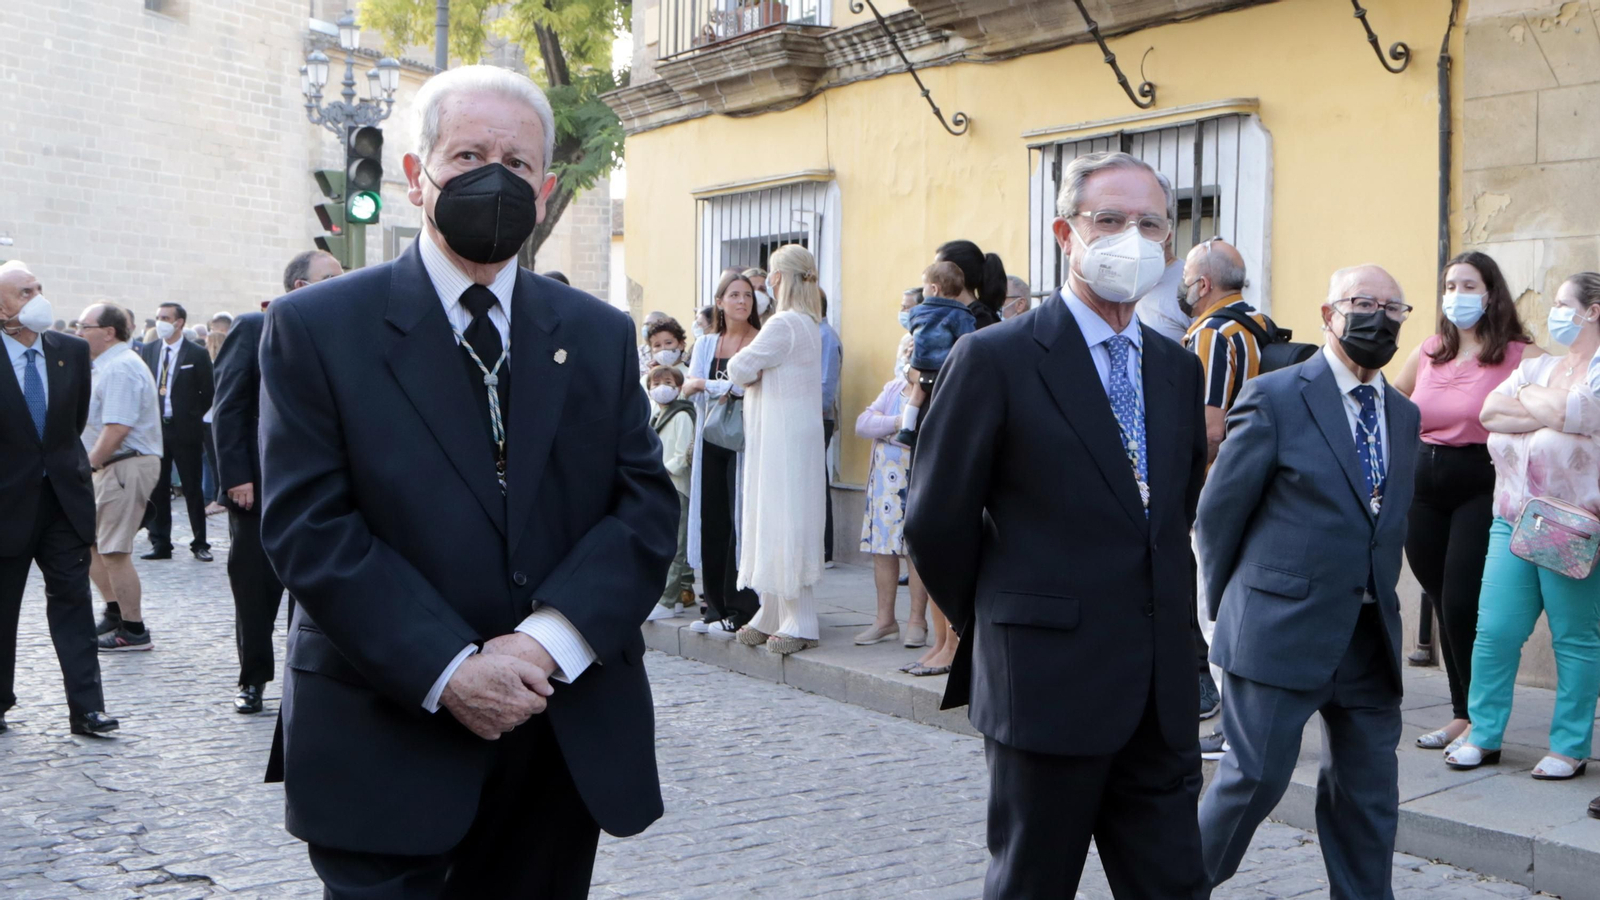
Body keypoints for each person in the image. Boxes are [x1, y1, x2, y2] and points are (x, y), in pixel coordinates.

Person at [256, 64, 678, 896]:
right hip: (382, 733)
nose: (495, 178)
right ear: (418, 175)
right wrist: (449, 668)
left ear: (546, 188)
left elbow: (643, 508)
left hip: (555, 735)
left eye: (517, 163)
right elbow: (310, 527)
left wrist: (546, 642)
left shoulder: (597, 334)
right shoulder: (318, 327)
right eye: (468, 156)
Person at [906, 151, 1209, 898]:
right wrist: (1007, 616)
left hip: (1159, 698)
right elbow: (936, 520)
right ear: (1065, 233)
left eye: (1149, 224)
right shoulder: (995, 358)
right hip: (1045, 688)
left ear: (1169, 243)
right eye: (1109, 219)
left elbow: (1170, 516)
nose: (1131, 238)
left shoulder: (1177, 370)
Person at [1197, 265, 1419, 899]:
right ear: (1329, 314)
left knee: (1369, 799)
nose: (1378, 318)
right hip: (1279, 631)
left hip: (1369, 638)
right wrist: (1230, 612)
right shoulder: (1274, 396)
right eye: (1363, 303)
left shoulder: (1404, 414)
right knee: (1253, 782)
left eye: (1393, 308)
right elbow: (1218, 516)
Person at [1449, 272, 1600, 784]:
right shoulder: (1537, 366)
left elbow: (1578, 410)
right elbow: (1490, 411)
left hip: (1571, 524)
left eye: (1561, 302)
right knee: (1495, 631)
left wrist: (1540, 404)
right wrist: (1549, 407)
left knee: (1573, 637)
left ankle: (1570, 746)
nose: (1553, 312)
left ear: (1592, 311)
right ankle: (1483, 734)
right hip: (1511, 517)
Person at [1392, 251, 1537, 754]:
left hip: (1481, 483)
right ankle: (1462, 714)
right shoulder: (1430, 350)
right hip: (1422, 485)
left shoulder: (1519, 355)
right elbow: (1393, 401)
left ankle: (1482, 721)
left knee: (1461, 601)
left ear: (1491, 294)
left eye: (1469, 286)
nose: (1456, 295)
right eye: (1450, 286)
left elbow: (1553, 404)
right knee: (1439, 597)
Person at [210, 249, 343, 715]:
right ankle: (252, 679)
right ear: (300, 287)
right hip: (259, 490)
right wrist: (236, 477)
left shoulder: (341, 332)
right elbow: (228, 408)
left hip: (319, 488)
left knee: (313, 590)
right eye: (330, 276)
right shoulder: (253, 327)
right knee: (254, 589)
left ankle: (301, 677)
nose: (341, 283)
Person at [0, 263, 119, 736]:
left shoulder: (71, 350)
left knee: (73, 603)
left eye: (38, 288)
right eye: (24, 292)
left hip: (64, 503)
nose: (36, 297)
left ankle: (87, 709)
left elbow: (72, 424)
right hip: (7, 506)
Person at [727, 245, 826, 655]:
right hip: (795, 435)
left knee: (781, 519)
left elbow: (738, 368)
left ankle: (799, 619)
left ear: (779, 278)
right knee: (785, 518)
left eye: (770, 273)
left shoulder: (783, 324)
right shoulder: (808, 323)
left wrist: (751, 374)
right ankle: (771, 612)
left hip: (780, 439)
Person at [1179, 237, 1258, 753]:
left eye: (1187, 279)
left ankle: (1235, 727)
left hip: (1216, 491)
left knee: (1216, 615)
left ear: (1203, 285)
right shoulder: (1258, 327)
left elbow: (1209, 429)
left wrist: (1182, 489)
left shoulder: (1212, 333)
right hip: (1256, 486)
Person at [75, 303, 164, 653]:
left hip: (124, 464)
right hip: (113, 466)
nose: (78, 333)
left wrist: (86, 467)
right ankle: (115, 613)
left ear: (108, 332)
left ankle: (134, 629)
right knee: (93, 544)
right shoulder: (109, 366)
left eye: (84, 326)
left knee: (113, 550)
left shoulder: (121, 368)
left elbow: (117, 428)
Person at [682, 272, 763, 633]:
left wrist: (708, 384)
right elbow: (688, 387)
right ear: (719, 302)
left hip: (747, 443)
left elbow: (750, 386)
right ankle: (713, 606)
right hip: (711, 437)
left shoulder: (759, 340)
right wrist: (719, 386)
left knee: (739, 520)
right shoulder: (705, 344)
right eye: (734, 295)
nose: (742, 301)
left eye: (747, 295)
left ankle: (740, 607)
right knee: (712, 518)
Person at [853, 349, 930, 650]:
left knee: (915, 553)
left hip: (917, 481)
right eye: (907, 353)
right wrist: (898, 422)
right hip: (884, 486)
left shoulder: (935, 392)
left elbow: (919, 437)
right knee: (883, 552)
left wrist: (886, 431)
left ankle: (917, 622)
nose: (909, 360)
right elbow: (862, 424)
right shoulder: (892, 389)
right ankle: (885, 621)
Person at [139, 302, 213, 562]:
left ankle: (200, 542)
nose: (160, 321)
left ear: (179, 322)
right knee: (158, 488)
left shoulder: (196, 353)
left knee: (192, 487)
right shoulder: (149, 350)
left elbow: (208, 391)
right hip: (156, 429)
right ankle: (160, 542)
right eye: (158, 317)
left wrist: (192, 416)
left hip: (185, 430)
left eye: (166, 317)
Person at [893, 261, 977, 447]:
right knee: (941, 401)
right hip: (945, 368)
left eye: (924, 286)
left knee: (916, 397)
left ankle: (906, 430)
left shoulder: (917, 311)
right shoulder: (962, 314)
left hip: (919, 365)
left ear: (934, 288)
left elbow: (912, 329)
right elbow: (968, 339)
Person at [644, 365, 697, 620]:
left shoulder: (682, 415)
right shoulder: (656, 415)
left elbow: (684, 454)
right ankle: (673, 598)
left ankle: (667, 599)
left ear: (678, 387)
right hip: (660, 485)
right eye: (655, 384)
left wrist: (663, 470)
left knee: (675, 544)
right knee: (663, 543)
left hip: (675, 486)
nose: (661, 388)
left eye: (667, 382)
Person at [820, 290, 842, 567]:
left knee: (816, 482)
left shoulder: (824, 336)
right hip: (812, 416)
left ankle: (824, 550)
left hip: (818, 417)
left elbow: (825, 386)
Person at [637, 310, 668, 376]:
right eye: (645, 324)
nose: (647, 328)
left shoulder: (673, 352)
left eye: (651, 324)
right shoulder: (638, 351)